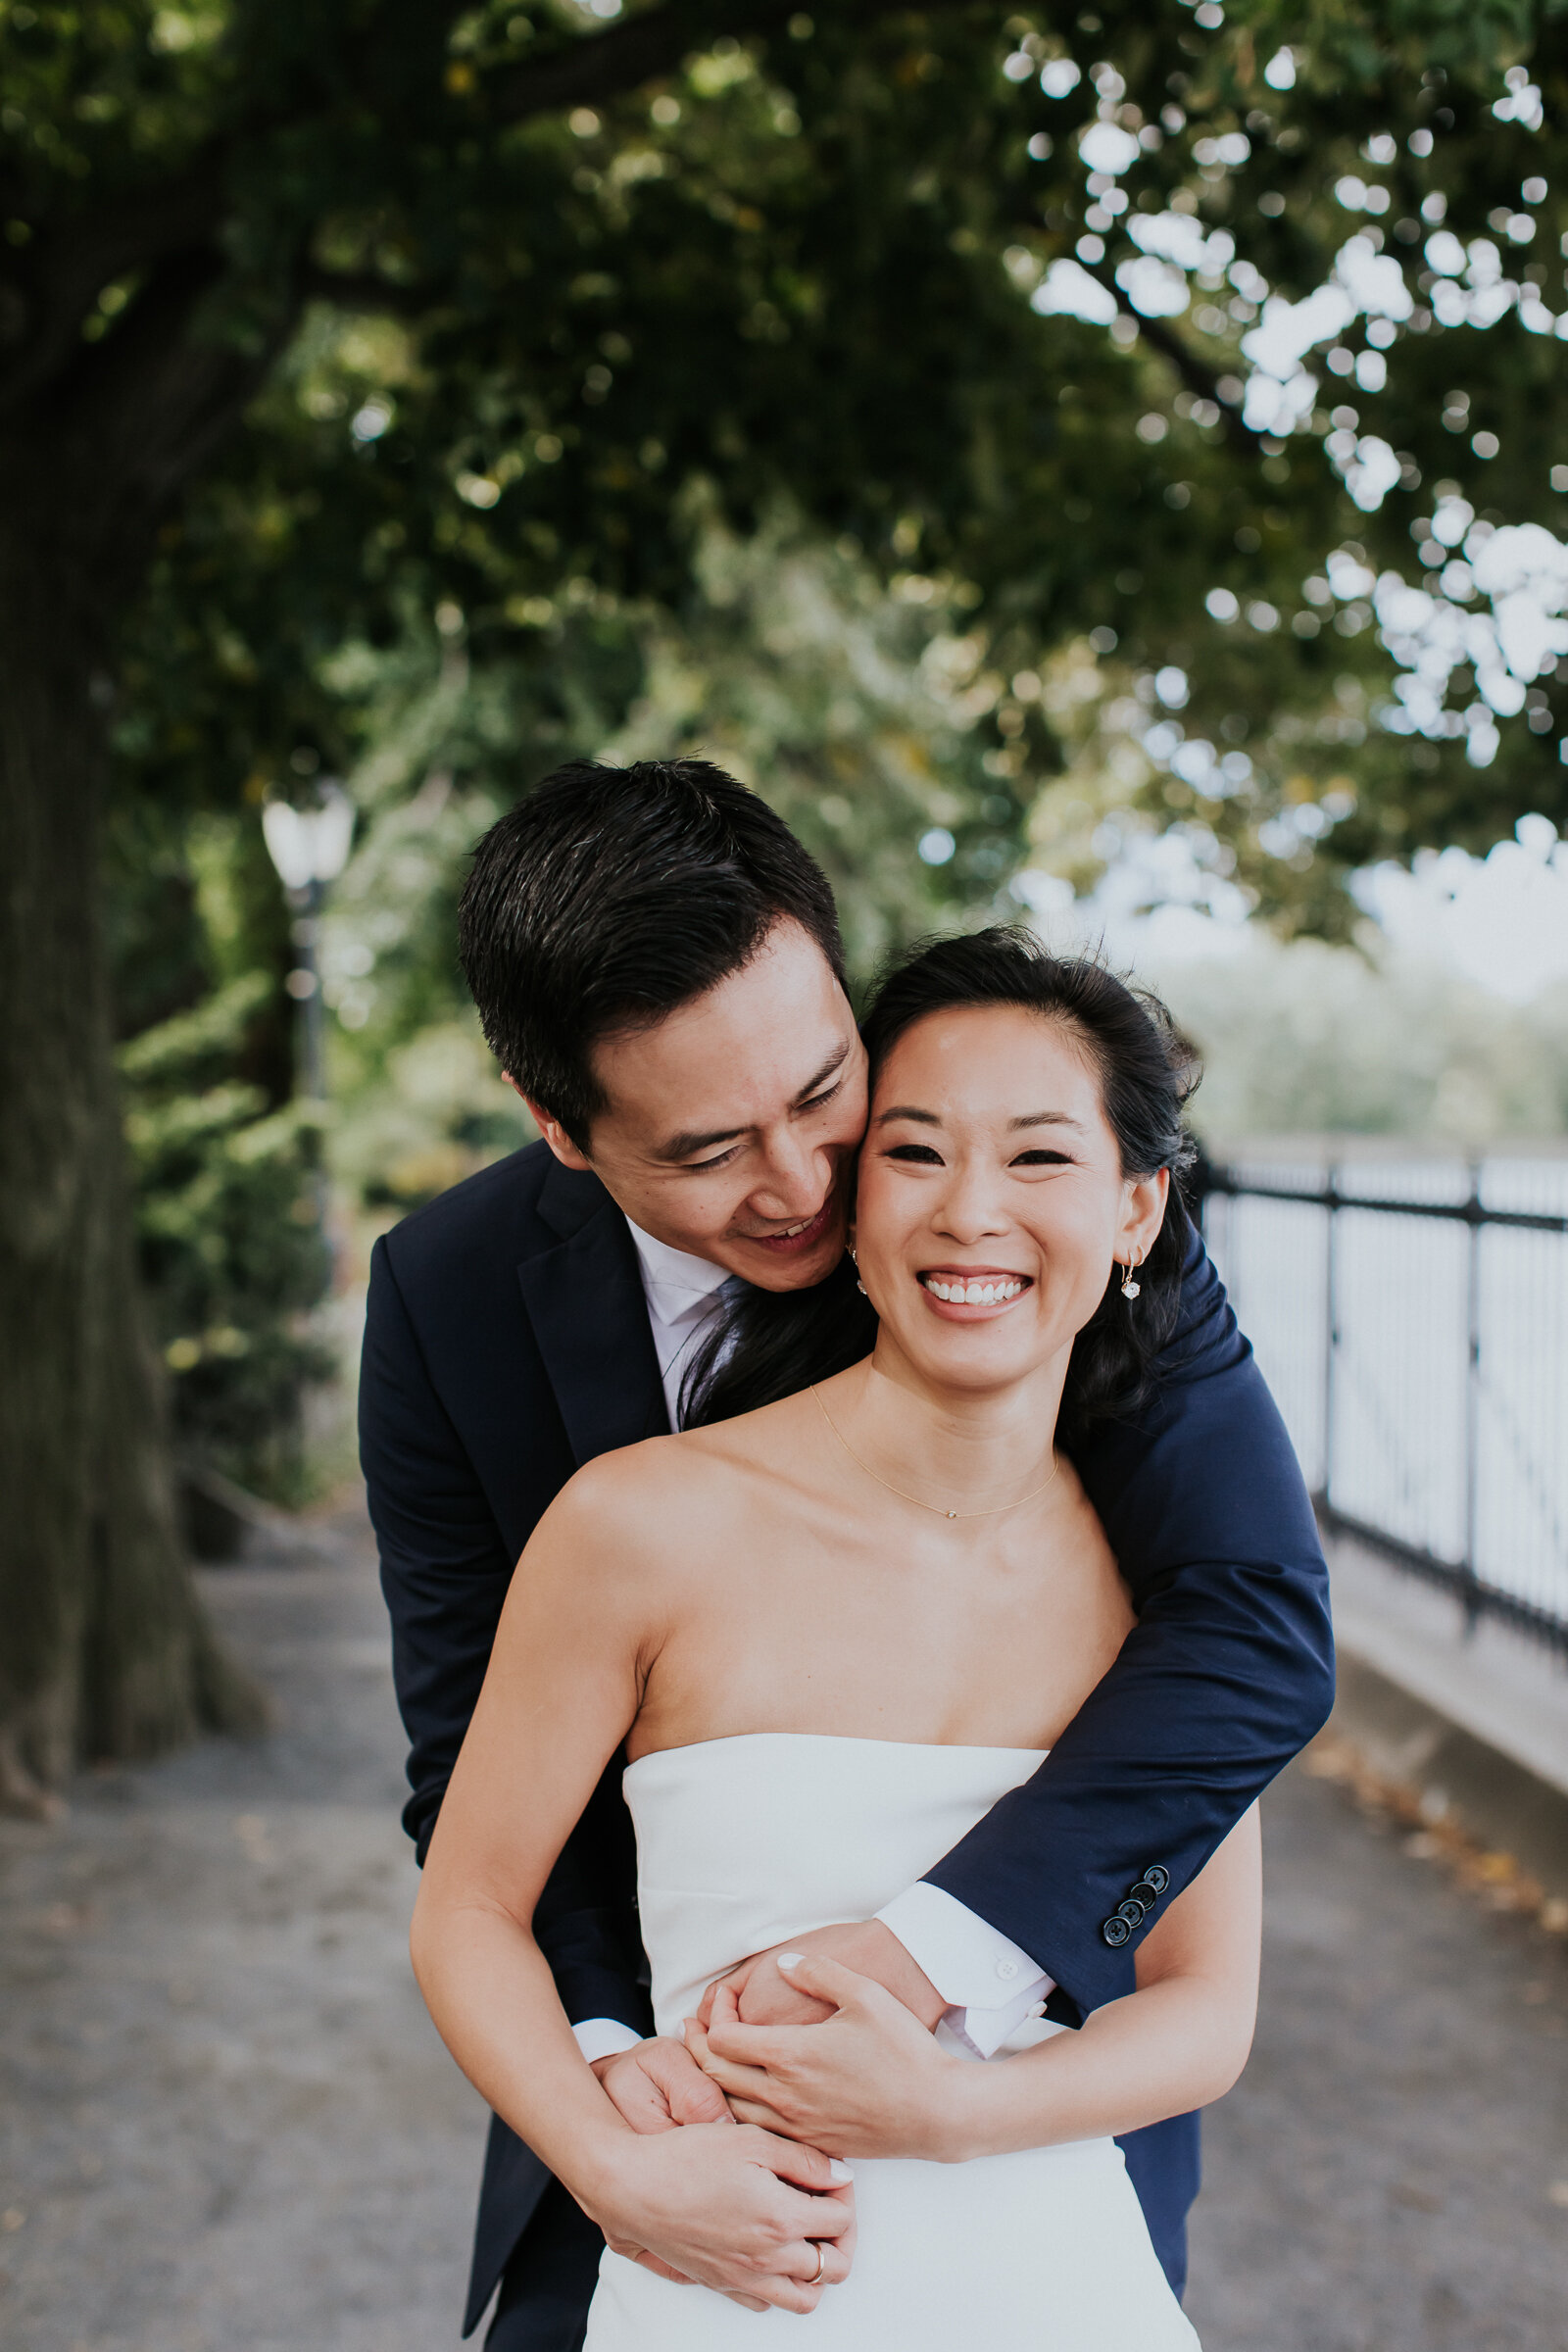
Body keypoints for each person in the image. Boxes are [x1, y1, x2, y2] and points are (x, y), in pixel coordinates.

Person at [359, 759, 1332, 2347]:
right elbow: (472, 1773)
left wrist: (918, 1989)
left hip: (1037, 2154)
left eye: (826, 1097)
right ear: (565, 1131)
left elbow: (1251, 1634)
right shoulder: (460, 1310)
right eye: (705, 1151)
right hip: (660, 2141)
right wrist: (621, 2101)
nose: (806, 1188)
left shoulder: (1033, 1230)